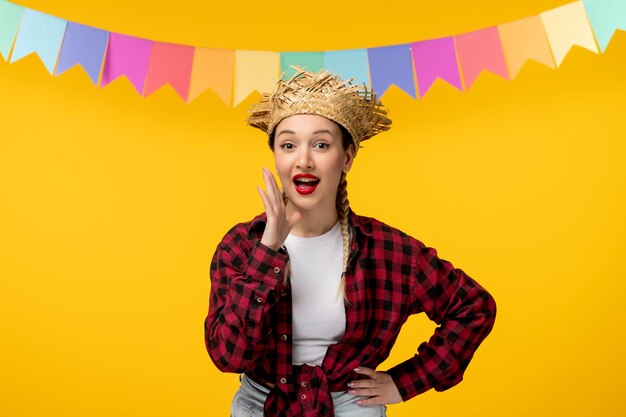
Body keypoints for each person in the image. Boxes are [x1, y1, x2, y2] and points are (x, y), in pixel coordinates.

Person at [204, 66, 497, 417]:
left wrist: (405, 382)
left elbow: (473, 307)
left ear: (346, 158)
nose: (304, 159)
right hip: (261, 403)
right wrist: (266, 253)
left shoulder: (389, 252)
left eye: (322, 144)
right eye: (288, 145)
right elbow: (229, 357)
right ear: (277, 157)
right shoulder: (241, 246)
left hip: (348, 405)